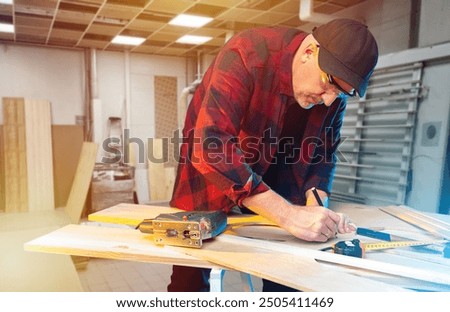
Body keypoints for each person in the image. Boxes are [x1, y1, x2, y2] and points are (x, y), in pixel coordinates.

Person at [167, 18, 378, 292]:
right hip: (211, 179)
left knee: (288, 278)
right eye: (329, 84)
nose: (328, 99)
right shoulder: (246, 54)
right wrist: (288, 216)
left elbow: (324, 153)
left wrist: (316, 203)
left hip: (279, 180)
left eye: (340, 92)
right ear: (308, 52)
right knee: (190, 278)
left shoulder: (331, 91)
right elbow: (211, 145)